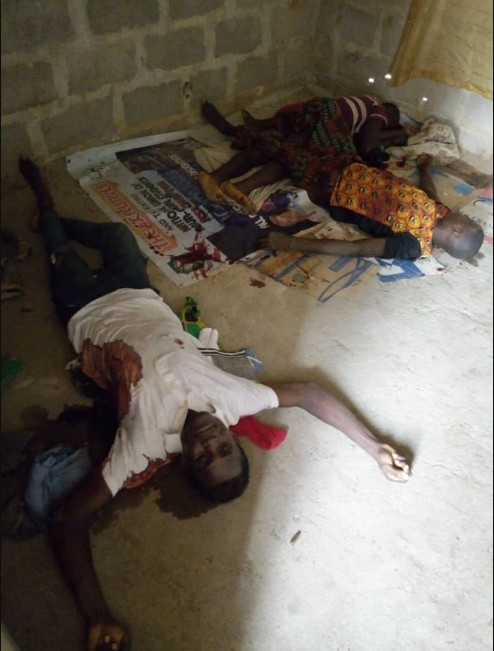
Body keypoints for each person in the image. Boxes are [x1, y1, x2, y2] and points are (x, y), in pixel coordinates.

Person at [18, 157, 411, 650]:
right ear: (232, 436)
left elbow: (70, 519)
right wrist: (374, 447)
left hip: (84, 309)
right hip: (139, 295)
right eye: (225, 449)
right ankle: (57, 221)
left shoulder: (142, 445)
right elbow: (309, 395)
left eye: (204, 458)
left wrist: (97, 616)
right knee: (117, 235)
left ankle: (47, 209)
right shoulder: (235, 400)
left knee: (58, 249)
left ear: (185, 464)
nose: (209, 443)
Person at [197, 105, 484, 262]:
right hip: (350, 163)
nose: (463, 213)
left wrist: (289, 242)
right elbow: (429, 194)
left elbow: (358, 249)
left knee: (281, 149)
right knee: (327, 112)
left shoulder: (412, 245)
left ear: (457, 231)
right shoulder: (441, 213)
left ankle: (235, 132)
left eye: (467, 219)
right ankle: (255, 134)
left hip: (329, 184)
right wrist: (424, 169)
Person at [201, 95, 414, 163]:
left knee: (289, 131)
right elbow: (369, 143)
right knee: (292, 146)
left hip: (307, 113)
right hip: (326, 120)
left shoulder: (364, 105)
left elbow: (368, 137)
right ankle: (245, 135)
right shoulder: (379, 110)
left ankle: (256, 127)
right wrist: (400, 132)